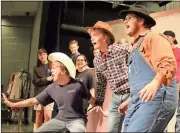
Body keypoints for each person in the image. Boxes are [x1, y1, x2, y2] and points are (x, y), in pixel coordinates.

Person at [118, 5, 178, 132]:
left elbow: (168, 63)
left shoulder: (153, 38)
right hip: (139, 100)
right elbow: (143, 81)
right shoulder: (134, 47)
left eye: (129, 18)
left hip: (156, 99)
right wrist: (131, 99)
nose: (125, 21)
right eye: (125, 19)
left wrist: (156, 83)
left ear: (141, 21)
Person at [2, 52, 96, 133]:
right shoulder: (52, 87)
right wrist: (12, 103)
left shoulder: (78, 85)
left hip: (77, 120)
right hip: (59, 120)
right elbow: (34, 100)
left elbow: (92, 101)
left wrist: (98, 107)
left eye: (55, 68)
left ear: (63, 71)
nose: (51, 70)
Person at [85, 21, 130, 132]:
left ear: (105, 37)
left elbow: (136, 71)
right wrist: (98, 102)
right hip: (116, 97)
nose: (91, 39)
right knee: (112, 130)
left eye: (95, 35)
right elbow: (101, 82)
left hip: (130, 94)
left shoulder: (122, 50)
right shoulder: (97, 60)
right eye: (91, 36)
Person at [32, 48, 54, 129]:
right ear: (38, 57)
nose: (42, 56)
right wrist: (47, 79)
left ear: (47, 55)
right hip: (39, 93)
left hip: (50, 94)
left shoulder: (53, 65)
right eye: (40, 55)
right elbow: (35, 81)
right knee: (38, 115)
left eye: (43, 54)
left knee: (48, 116)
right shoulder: (36, 68)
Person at [163, 30, 180, 132]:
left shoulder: (178, 51)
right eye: (164, 37)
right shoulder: (164, 52)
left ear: (173, 38)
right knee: (166, 109)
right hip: (168, 83)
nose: (166, 39)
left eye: (168, 37)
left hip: (179, 81)